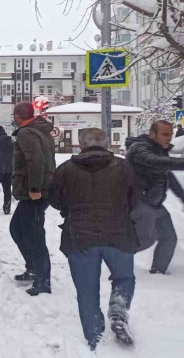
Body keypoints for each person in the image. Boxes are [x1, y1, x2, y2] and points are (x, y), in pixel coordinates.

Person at [49, 128, 140, 350]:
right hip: (118, 233)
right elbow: (136, 197)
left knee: (86, 289)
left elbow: (53, 198)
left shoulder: (65, 170)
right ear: (106, 144)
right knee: (124, 277)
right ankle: (118, 309)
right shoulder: (123, 167)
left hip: (79, 237)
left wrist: (68, 210)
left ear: (81, 145)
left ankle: (94, 338)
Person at [9, 101, 56, 296]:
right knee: (17, 228)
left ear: (19, 116)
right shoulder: (39, 131)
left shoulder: (27, 132)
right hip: (36, 189)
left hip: (34, 191)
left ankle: (42, 280)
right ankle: (33, 267)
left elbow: (35, 159)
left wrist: (35, 187)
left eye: (14, 115)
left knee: (34, 235)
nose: (13, 118)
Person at [125, 120, 184, 275]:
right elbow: (157, 162)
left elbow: (168, 177)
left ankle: (158, 273)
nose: (169, 138)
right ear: (152, 134)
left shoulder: (159, 150)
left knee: (169, 238)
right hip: (140, 204)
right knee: (141, 242)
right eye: (165, 134)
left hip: (155, 204)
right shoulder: (139, 149)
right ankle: (118, 268)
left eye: (171, 134)